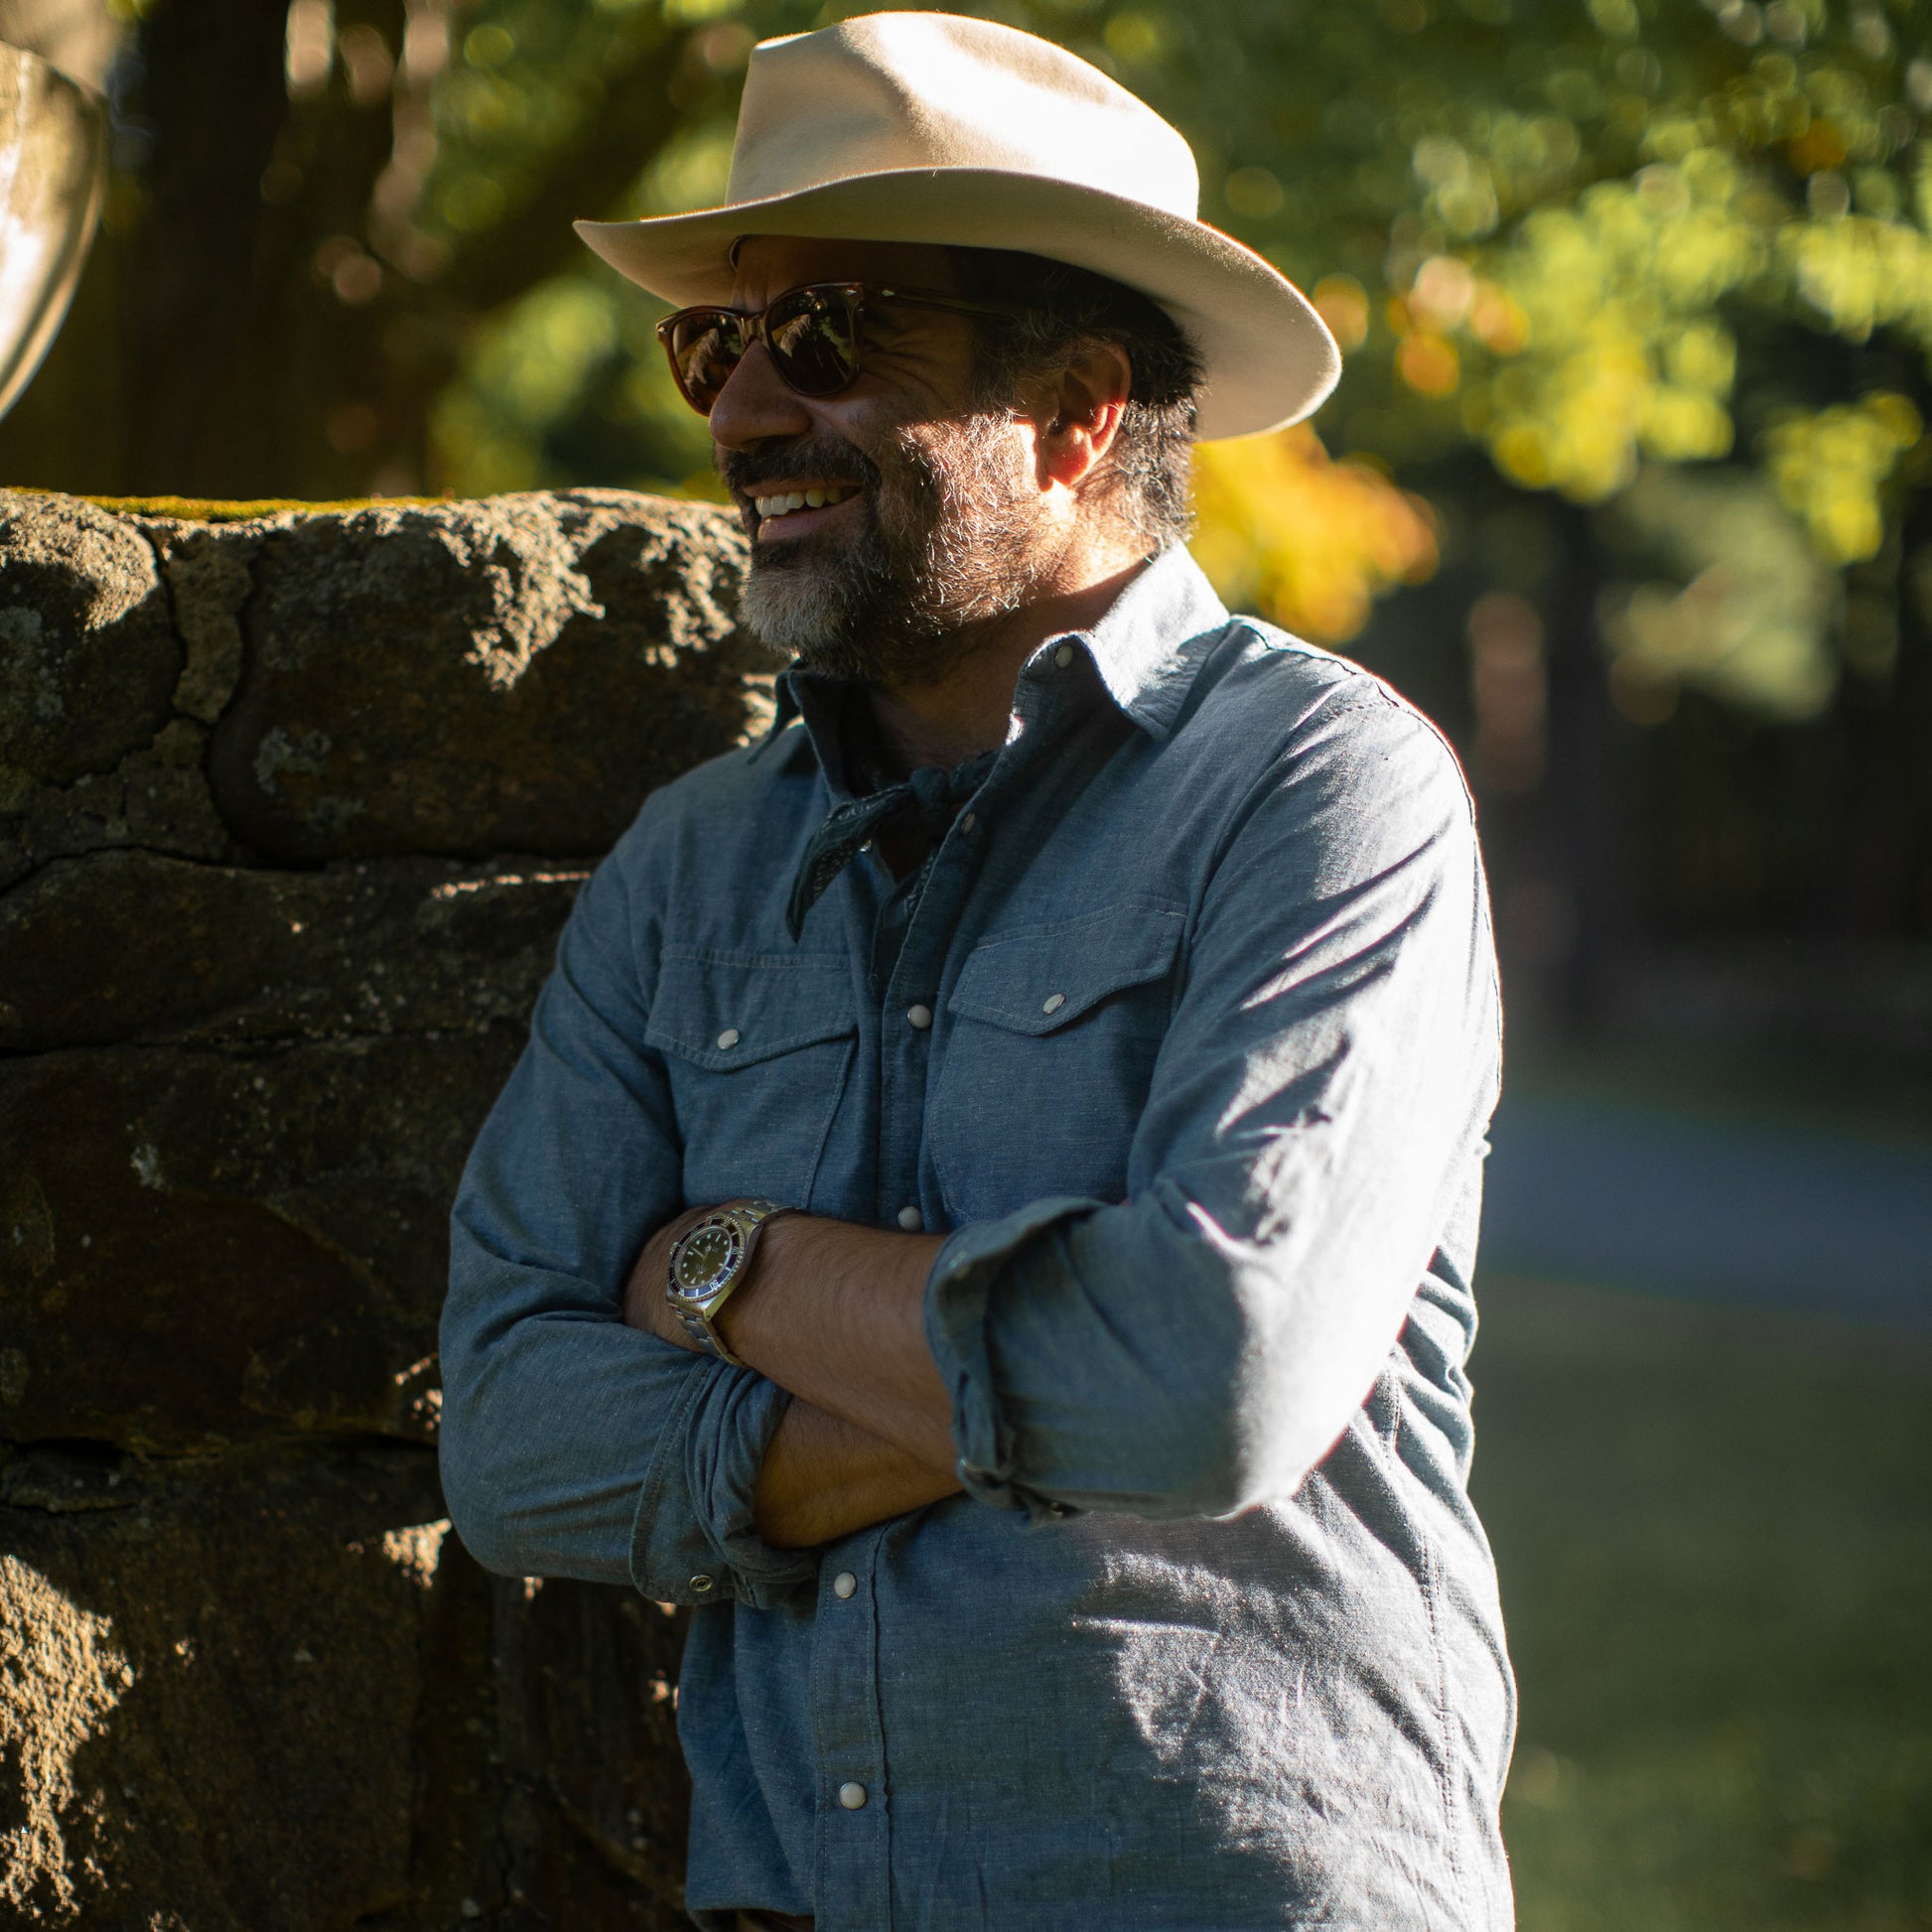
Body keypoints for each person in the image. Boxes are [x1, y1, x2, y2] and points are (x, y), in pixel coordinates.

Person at [438, 13, 1515, 1930]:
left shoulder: (1321, 790)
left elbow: (1206, 1385)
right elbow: (513, 1437)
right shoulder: (693, 865)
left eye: (831, 336)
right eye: (719, 343)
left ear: (1077, 410)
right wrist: (1031, 1390)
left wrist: (721, 1262)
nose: (743, 412)